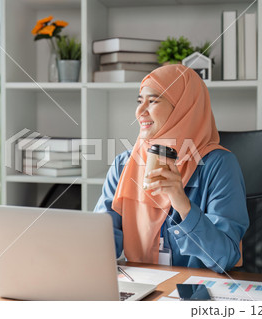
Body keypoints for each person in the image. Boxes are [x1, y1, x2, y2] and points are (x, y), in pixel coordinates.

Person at [94, 64, 249, 273]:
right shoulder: (124, 164)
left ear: (183, 107)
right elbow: (100, 244)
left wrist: (182, 203)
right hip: (142, 287)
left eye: (153, 101)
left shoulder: (219, 165)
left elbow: (225, 257)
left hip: (195, 291)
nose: (140, 111)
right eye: (140, 101)